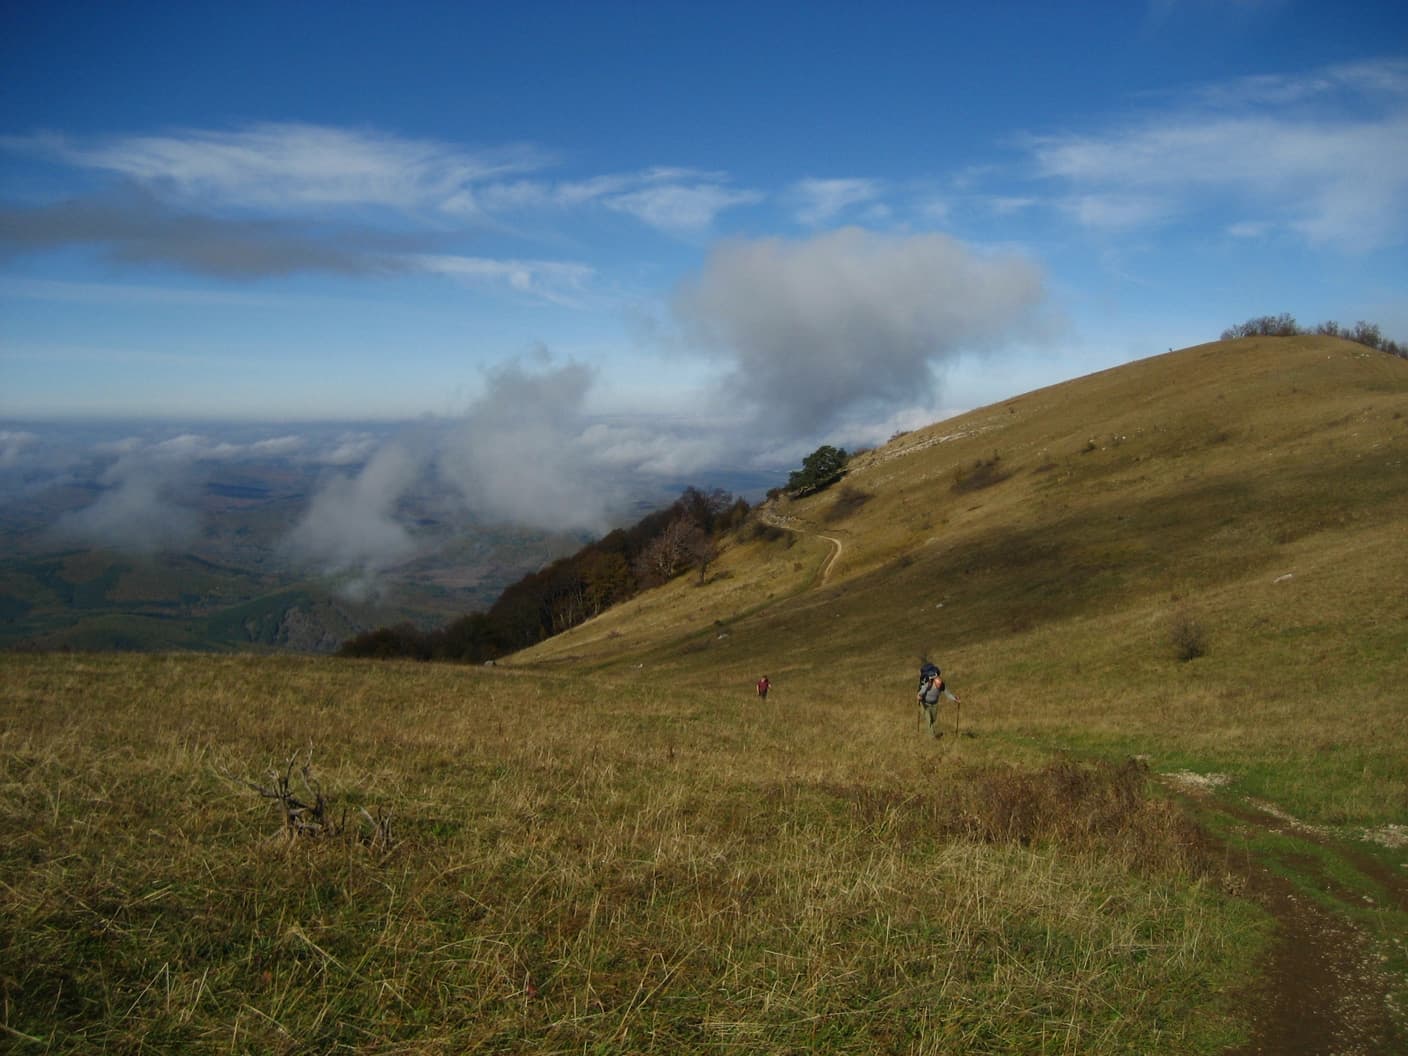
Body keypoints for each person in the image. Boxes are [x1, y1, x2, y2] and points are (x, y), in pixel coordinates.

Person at [917, 664, 959, 737]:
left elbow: (948, 694)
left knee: (933, 720)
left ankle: (932, 733)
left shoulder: (942, 686)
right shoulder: (928, 684)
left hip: (934, 704)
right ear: (934, 682)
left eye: (939, 685)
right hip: (925, 704)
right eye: (937, 685)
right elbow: (920, 693)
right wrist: (919, 697)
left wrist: (955, 699)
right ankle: (932, 736)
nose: (939, 686)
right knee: (928, 720)